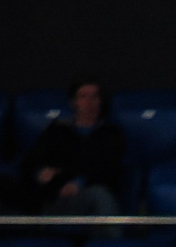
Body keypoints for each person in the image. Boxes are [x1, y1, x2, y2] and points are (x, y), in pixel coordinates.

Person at [21, 80, 127, 217]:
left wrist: (79, 183)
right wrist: (40, 172)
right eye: (83, 97)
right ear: (73, 102)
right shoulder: (57, 130)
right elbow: (30, 162)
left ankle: (110, 239)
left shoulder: (111, 134)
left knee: (99, 195)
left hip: (89, 193)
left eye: (94, 97)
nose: (89, 103)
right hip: (55, 196)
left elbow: (110, 169)